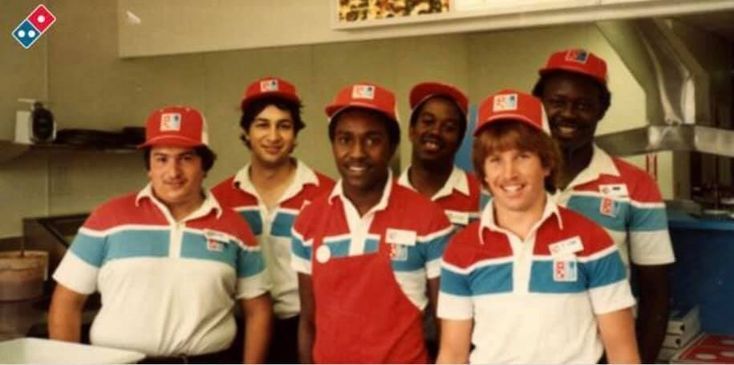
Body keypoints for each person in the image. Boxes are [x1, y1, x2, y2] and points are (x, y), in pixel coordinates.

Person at [48, 106, 272, 363]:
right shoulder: (107, 217)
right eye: (161, 159)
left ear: (204, 165)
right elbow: (67, 301)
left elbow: (258, 309)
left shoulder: (234, 226)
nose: (173, 172)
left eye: (186, 158)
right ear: (149, 167)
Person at [436, 89, 640, 364]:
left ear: (546, 163)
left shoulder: (593, 241)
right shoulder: (460, 251)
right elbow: (452, 353)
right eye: (496, 160)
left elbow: (623, 353)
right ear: (483, 175)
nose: (509, 174)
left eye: (522, 156)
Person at [291, 83, 454, 363]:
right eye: (345, 139)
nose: (356, 153)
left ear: (391, 146)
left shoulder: (430, 220)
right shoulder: (308, 222)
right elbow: (309, 322)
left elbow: (448, 324)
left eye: (372, 140)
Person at [532, 48, 675, 362]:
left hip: (603, 353)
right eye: (557, 102)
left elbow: (655, 295)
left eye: (583, 105)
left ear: (602, 110)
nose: (568, 114)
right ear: (539, 106)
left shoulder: (637, 185)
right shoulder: (507, 183)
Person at [212, 76, 334, 363]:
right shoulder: (220, 198)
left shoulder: (326, 194)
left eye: (284, 125)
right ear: (246, 131)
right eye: (262, 124)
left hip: (304, 328)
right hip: (238, 331)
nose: (273, 136)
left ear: (296, 133)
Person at [400, 81, 482, 228]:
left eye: (449, 127)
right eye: (428, 121)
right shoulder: (386, 195)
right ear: (411, 130)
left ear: (460, 139)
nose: (435, 132)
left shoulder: (482, 195)